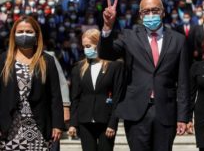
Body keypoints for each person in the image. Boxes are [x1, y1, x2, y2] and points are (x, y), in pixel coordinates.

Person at [98, 0, 190, 151]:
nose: (151, 15)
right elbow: (106, 53)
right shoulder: (129, 36)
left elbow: (183, 82)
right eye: (146, 12)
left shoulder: (178, 40)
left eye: (155, 10)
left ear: (163, 12)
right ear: (140, 15)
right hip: (136, 111)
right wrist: (107, 27)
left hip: (166, 111)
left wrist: (183, 117)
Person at [0, 16, 64, 150]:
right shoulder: (4, 60)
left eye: (29, 32)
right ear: (13, 34)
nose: (24, 35)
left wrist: (57, 124)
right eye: (20, 31)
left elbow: (55, 95)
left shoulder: (47, 60)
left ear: (37, 35)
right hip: (10, 126)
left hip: (39, 124)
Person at [68, 28, 124, 151]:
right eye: (84, 46)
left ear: (98, 44)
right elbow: (75, 98)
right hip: (85, 121)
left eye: (88, 45)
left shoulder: (115, 66)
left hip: (106, 121)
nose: (85, 49)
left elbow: (117, 97)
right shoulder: (78, 68)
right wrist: (73, 123)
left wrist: (113, 123)